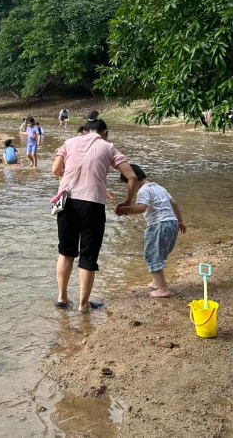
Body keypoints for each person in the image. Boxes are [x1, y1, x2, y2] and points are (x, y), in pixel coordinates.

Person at [52, 111, 138, 312]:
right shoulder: (107, 146)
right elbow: (131, 176)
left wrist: (71, 177)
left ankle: (62, 298)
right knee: (88, 256)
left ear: (85, 129)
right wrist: (127, 201)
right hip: (92, 205)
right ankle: (83, 305)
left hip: (67, 203)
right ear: (104, 132)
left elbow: (56, 170)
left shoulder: (70, 142)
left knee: (65, 252)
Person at [117, 164, 187, 298]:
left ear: (133, 179)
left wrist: (125, 210)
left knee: (152, 256)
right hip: (172, 224)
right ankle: (156, 282)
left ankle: (163, 290)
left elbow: (141, 208)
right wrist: (180, 222)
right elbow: (175, 203)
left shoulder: (143, 190)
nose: (129, 187)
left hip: (158, 226)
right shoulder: (159, 187)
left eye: (128, 183)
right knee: (159, 253)